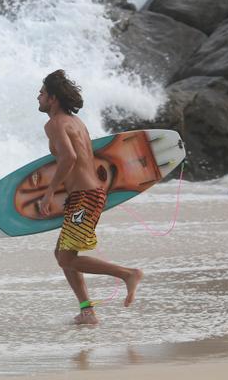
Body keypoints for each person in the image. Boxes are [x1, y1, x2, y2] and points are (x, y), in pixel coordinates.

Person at [37, 69, 143, 325]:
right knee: (62, 254)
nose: (37, 97)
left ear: (52, 98)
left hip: (85, 196)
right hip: (88, 194)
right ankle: (87, 311)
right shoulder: (76, 122)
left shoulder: (54, 124)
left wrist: (49, 192)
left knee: (66, 257)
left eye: (41, 93)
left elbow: (69, 158)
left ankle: (128, 274)